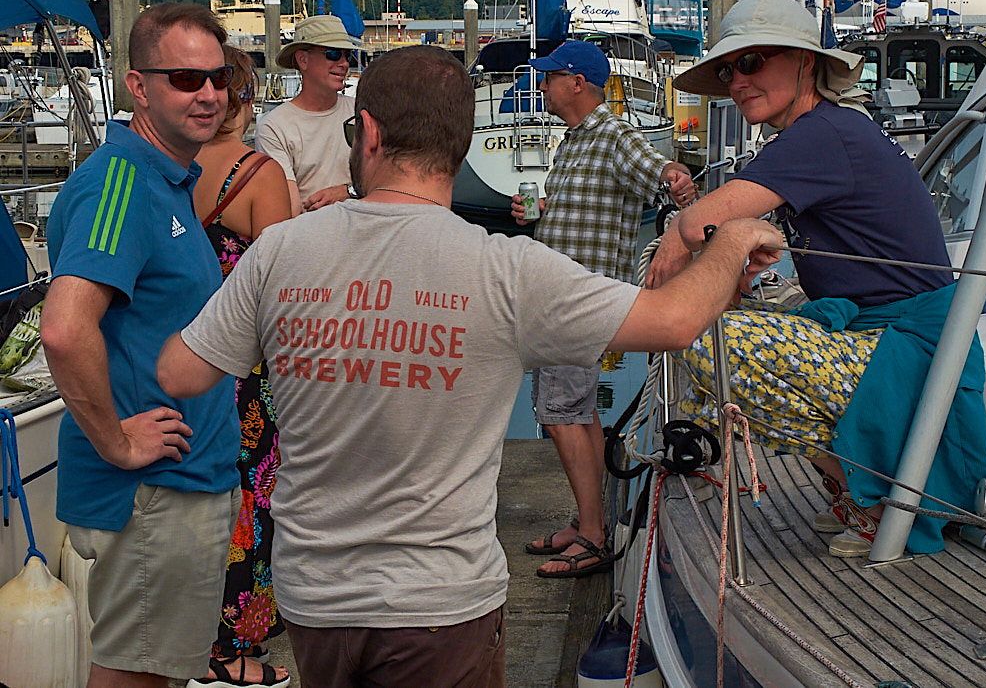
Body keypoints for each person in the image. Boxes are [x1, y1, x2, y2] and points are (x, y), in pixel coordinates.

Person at [155, 44, 782, 688]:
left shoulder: (280, 251)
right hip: (441, 603)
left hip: (315, 597)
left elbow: (180, 375)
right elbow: (674, 321)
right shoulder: (504, 269)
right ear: (464, 143)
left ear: (368, 133)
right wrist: (731, 240)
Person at [647, 0, 986, 559]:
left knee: (707, 341)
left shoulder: (821, 133)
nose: (737, 80)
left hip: (908, 346)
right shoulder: (823, 132)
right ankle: (861, 488)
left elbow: (701, 222)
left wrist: (673, 236)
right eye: (728, 68)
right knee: (740, 338)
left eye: (754, 62)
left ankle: (882, 500)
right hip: (891, 336)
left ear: (806, 63)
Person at [39, 2, 241, 688]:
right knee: (136, 677)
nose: (209, 94)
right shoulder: (122, 181)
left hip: (183, 484)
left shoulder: (167, 179)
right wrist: (118, 443)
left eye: (221, 79)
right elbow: (65, 329)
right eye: (185, 78)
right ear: (138, 86)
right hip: (156, 491)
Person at [507, 39, 697, 578]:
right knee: (580, 414)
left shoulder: (611, 134)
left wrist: (675, 179)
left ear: (576, 83)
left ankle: (592, 536)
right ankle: (588, 520)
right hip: (566, 297)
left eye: (548, 77)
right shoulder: (573, 143)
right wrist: (536, 212)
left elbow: (659, 170)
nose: (540, 86)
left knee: (562, 415)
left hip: (577, 301)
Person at [188, 46, 292, 688]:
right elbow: (283, 290)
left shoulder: (170, 168)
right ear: (243, 100)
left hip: (183, 357)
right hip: (246, 369)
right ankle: (231, 649)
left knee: (192, 498)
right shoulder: (259, 173)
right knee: (252, 501)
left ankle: (189, 635)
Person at [254, 14, 358, 216]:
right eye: (334, 54)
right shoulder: (273, 128)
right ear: (303, 60)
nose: (344, 63)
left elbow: (388, 179)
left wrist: (347, 192)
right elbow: (289, 207)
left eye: (348, 55)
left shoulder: (362, 112)